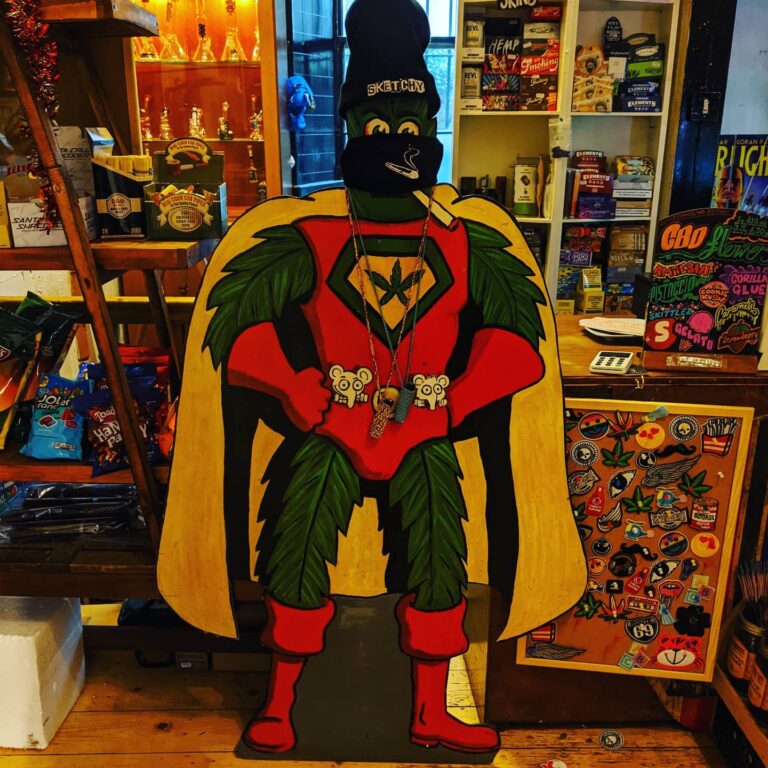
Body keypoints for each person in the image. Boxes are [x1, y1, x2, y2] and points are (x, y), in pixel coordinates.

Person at [158, 0, 584, 755]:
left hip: (425, 423)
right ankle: (281, 704)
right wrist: (293, 385)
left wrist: (453, 403)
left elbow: (520, 347)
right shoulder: (309, 233)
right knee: (295, 545)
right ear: (352, 125)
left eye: (411, 126)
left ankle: (429, 710)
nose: (395, 140)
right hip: (332, 421)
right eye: (379, 126)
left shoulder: (468, 239)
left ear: (431, 129)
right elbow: (237, 331)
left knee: (441, 556)